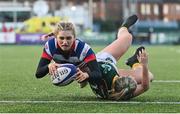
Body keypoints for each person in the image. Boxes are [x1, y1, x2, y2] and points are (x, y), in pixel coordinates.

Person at [88, 15, 154, 100]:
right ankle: (134, 63)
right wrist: (144, 66)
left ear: (122, 77)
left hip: (104, 60)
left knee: (128, 37)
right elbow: (145, 86)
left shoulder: (106, 74)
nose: (131, 76)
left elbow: (89, 66)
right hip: (110, 76)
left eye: (130, 77)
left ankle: (124, 27)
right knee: (149, 76)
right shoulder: (126, 93)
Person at [35, 22, 102, 87]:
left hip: (84, 68)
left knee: (103, 76)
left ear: (74, 38)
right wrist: (49, 66)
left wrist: (87, 75)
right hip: (64, 65)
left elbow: (98, 74)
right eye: (61, 38)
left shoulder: (83, 49)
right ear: (56, 37)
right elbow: (38, 74)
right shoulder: (50, 46)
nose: (65, 42)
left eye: (68, 38)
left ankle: (84, 78)